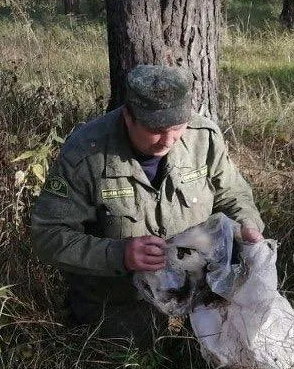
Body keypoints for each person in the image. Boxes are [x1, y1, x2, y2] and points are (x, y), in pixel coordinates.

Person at [30, 64, 265, 346]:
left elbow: (233, 194)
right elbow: (49, 236)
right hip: (120, 306)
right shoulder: (86, 153)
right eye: (155, 129)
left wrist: (247, 226)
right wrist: (119, 254)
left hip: (200, 295)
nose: (168, 140)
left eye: (177, 127)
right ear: (128, 116)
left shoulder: (204, 138)